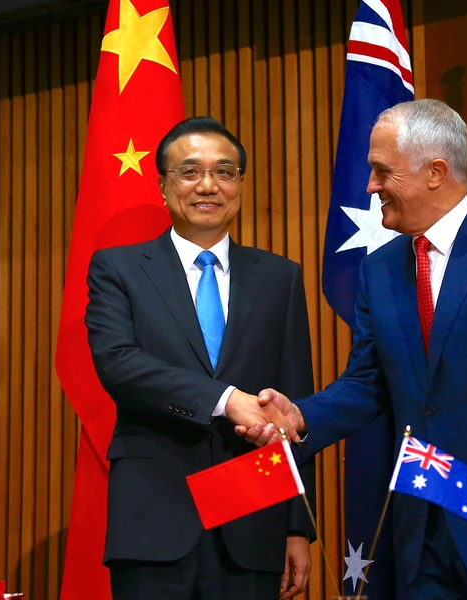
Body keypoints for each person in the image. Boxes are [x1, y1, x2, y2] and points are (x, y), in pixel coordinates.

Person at [237, 99, 467, 599]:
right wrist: (300, 416)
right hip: (418, 536)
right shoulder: (380, 269)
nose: (370, 186)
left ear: (436, 172)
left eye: (381, 171)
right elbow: (368, 383)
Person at [86, 116, 314, 600]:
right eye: (189, 171)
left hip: (253, 521)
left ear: (240, 185)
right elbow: (118, 365)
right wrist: (226, 399)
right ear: (164, 186)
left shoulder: (280, 278)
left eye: (225, 172)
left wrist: (298, 526)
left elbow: (295, 404)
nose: (208, 185)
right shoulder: (119, 269)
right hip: (154, 519)